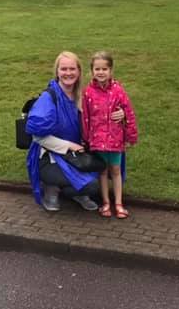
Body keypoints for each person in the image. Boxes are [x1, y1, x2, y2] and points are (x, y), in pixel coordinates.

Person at [25, 51, 123, 212]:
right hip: (51, 157)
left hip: (76, 154)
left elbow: (103, 112)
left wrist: (122, 114)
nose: (68, 73)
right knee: (90, 184)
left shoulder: (83, 95)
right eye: (63, 69)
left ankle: (74, 192)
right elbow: (37, 136)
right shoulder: (49, 98)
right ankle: (52, 188)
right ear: (57, 72)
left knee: (96, 181)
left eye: (72, 69)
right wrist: (69, 145)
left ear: (79, 71)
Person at [81, 51, 138, 219]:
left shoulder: (118, 91)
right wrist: (85, 138)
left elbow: (129, 112)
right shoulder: (88, 92)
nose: (100, 72)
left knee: (116, 170)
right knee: (103, 171)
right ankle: (106, 202)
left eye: (104, 69)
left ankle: (119, 202)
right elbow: (85, 117)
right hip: (98, 140)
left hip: (115, 140)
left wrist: (130, 135)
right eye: (97, 69)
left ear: (111, 70)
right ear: (92, 71)